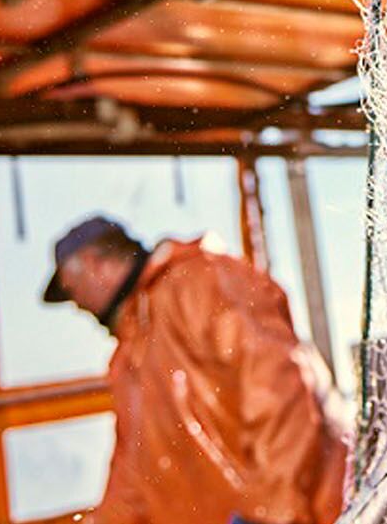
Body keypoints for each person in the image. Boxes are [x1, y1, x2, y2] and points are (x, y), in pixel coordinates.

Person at [43, 215, 350, 524]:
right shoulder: (128, 361)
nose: (77, 303)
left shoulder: (202, 282)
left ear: (96, 263)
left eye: (72, 288)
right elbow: (133, 478)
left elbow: (279, 394)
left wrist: (270, 513)